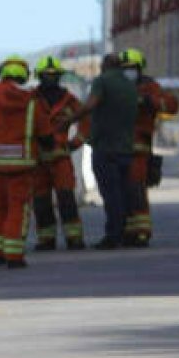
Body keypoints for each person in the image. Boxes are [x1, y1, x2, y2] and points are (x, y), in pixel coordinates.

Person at [0, 56, 51, 269]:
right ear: (24, 76)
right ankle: (14, 255)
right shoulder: (32, 102)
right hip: (21, 169)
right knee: (18, 209)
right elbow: (47, 134)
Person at [61, 53, 138, 250]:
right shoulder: (130, 85)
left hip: (106, 147)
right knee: (122, 193)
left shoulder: (102, 81)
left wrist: (69, 120)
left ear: (105, 66)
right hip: (126, 148)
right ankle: (126, 232)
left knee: (110, 194)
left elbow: (90, 105)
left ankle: (113, 235)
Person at [119, 48, 179, 246]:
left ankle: (142, 231)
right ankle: (127, 231)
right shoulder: (115, 87)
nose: (128, 71)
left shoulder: (149, 87)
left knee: (136, 189)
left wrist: (149, 102)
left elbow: (172, 105)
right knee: (121, 193)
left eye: (132, 68)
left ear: (139, 69)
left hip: (139, 151)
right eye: (124, 68)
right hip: (117, 149)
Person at [31, 55, 87, 251]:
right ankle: (46, 240)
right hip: (38, 161)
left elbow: (86, 119)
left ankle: (74, 238)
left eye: (54, 75)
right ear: (39, 76)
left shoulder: (69, 99)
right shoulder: (31, 98)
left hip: (61, 158)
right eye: (46, 75)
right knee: (41, 202)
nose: (50, 78)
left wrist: (77, 141)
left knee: (66, 199)